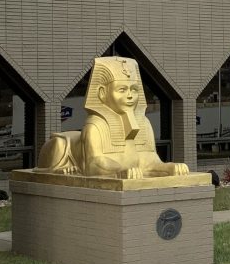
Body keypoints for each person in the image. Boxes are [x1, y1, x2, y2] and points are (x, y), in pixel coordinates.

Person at [36, 56, 189, 179]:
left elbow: (149, 161)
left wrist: (169, 168)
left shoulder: (145, 124)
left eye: (134, 90)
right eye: (122, 90)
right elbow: (94, 164)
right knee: (59, 145)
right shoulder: (95, 126)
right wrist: (120, 170)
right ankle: (58, 168)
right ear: (102, 93)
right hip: (67, 150)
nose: (130, 95)